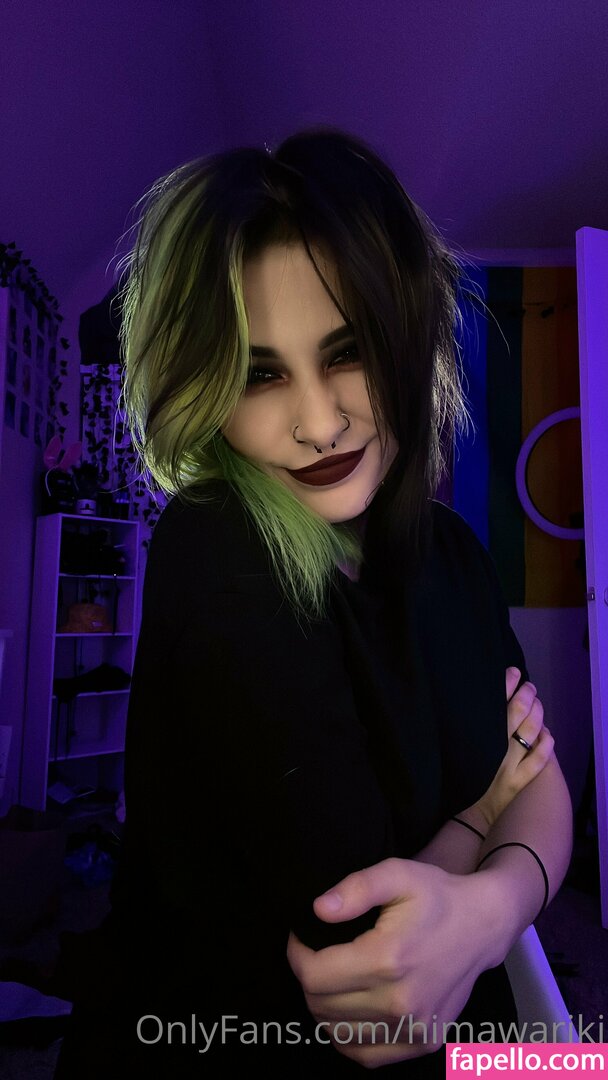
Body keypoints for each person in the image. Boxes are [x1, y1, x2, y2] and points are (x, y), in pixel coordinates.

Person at [53, 127, 572, 1078]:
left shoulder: (456, 554)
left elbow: (543, 784)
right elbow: (360, 973)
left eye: (348, 351)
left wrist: (493, 907)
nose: (320, 422)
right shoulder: (214, 545)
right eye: (261, 373)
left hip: (478, 1036)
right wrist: (483, 820)